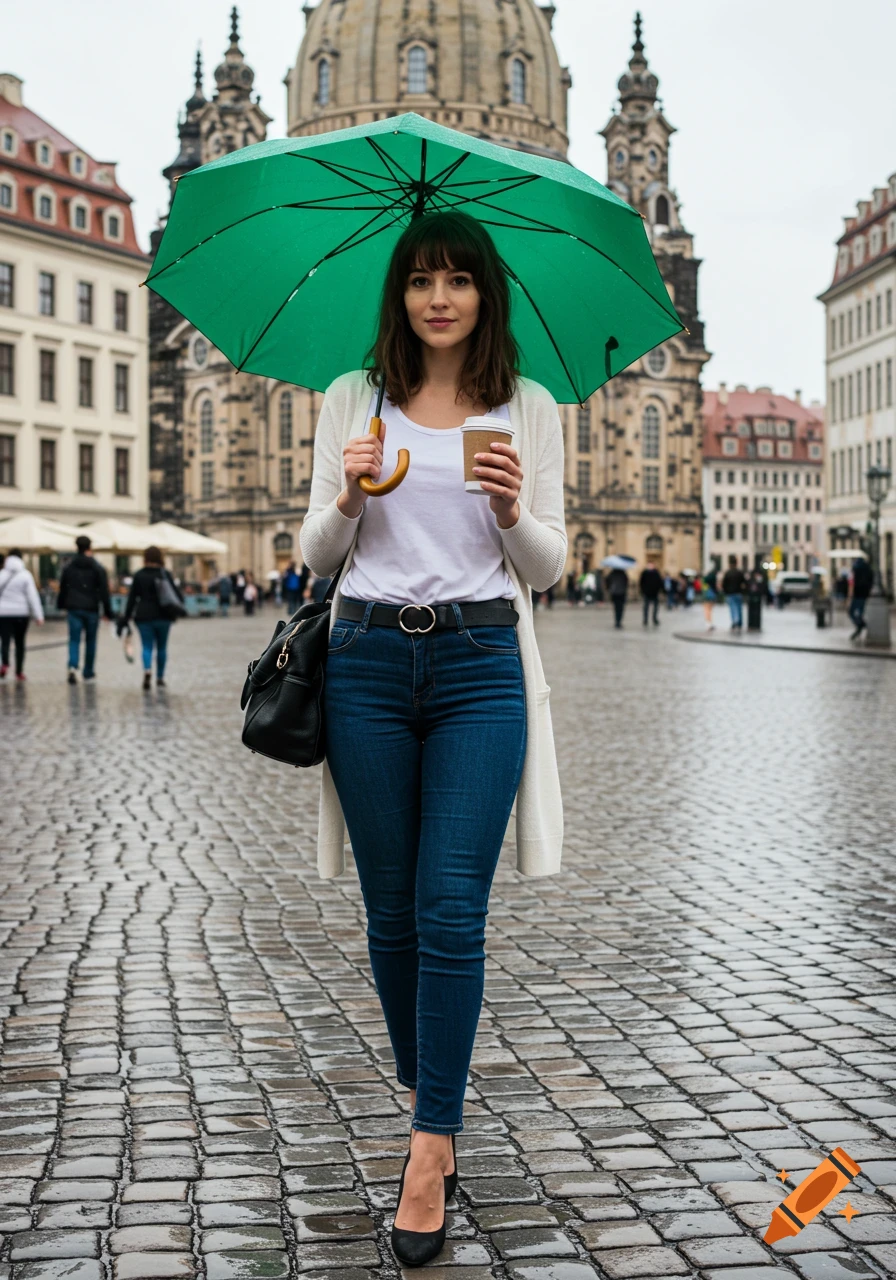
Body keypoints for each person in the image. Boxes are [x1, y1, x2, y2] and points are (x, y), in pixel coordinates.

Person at [299, 210, 565, 1268]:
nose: (438, 296)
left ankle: (426, 1142)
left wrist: (507, 511)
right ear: (399, 295)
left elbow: (546, 568)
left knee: (452, 905)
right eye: (420, 279)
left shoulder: (526, 407)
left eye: (457, 278)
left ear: (483, 293)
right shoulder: (350, 400)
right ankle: (435, 1086)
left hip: (477, 664)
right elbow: (316, 551)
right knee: (392, 911)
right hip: (365, 660)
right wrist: (353, 493)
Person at [122, 546, 184, 690]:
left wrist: (126, 617)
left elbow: (132, 599)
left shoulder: (139, 575)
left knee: (147, 646)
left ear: (145, 558)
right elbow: (176, 595)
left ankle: (147, 670)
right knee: (162, 647)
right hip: (164, 616)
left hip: (143, 616)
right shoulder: (165, 574)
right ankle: (160, 677)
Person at [57, 534, 113, 683]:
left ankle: (73, 666)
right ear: (89, 547)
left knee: (74, 640)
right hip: (91, 608)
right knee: (91, 641)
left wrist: (61, 604)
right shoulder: (97, 567)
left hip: (74, 607)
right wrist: (108, 611)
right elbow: (104, 591)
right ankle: (88, 671)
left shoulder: (69, 566)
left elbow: (63, 587)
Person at [0, 549, 44, 680]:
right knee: (20, 642)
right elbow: (33, 597)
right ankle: (19, 671)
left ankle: (5, 663)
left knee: (5, 641)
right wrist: (39, 616)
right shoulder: (26, 575)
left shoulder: (1, 574)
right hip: (21, 613)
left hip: (3, 613)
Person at [848, 555, 874, 639]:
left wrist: (850, 594)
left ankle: (861, 625)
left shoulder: (855, 568)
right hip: (864, 594)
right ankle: (861, 625)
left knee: (851, 612)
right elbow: (871, 581)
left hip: (857, 594)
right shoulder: (868, 569)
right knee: (859, 612)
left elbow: (852, 582)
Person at [722, 555, 746, 631]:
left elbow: (724, 584)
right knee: (739, 608)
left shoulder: (728, 573)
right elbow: (744, 582)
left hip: (730, 593)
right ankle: (739, 622)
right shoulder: (739, 572)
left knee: (732, 608)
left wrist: (726, 591)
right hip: (738, 593)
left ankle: (734, 621)